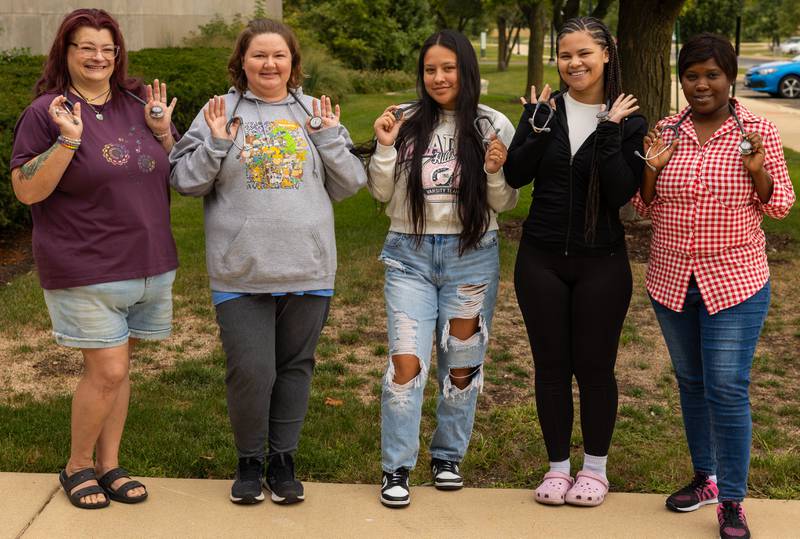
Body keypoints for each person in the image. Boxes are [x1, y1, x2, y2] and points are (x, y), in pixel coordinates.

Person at [169, 18, 366, 506]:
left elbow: (351, 184)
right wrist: (215, 141)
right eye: (259, 55)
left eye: (279, 55)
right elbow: (185, 180)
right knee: (252, 370)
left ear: (293, 63)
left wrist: (327, 137)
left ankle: (283, 462)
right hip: (241, 268)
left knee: (295, 367)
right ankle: (249, 461)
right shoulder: (219, 110)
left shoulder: (314, 112)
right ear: (242, 62)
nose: (269, 64)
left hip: (308, 264)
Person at [9, 8, 179, 509]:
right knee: (106, 370)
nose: (98, 56)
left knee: (119, 370)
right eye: (86, 47)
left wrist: (164, 130)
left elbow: (172, 171)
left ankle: (110, 465)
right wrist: (68, 140)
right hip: (84, 262)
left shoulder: (136, 102)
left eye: (107, 48)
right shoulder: (48, 111)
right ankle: (77, 466)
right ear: (66, 52)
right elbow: (26, 189)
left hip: (148, 261)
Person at [632, 33, 794, 539]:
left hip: (735, 282)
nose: (701, 85)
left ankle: (732, 501)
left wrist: (759, 171)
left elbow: (780, 205)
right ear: (681, 79)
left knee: (726, 387)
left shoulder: (756, 130)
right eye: (691, 75)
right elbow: (644, 207)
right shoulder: (666, 129)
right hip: (671, 278)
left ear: (730, 77)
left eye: (712, 75)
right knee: (692, 384)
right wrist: (651, 172)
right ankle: (705, 477)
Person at [369, 29, 518, 508]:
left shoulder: (492, 124)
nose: (438, 77)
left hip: (471, 256)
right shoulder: (405, 120)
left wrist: (495, 170)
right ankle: (397, 466)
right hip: (409, 255)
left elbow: (505, 204)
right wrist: (386, 147)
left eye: (448, 68)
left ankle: (448, 455)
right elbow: (380, 193)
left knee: (461, 364)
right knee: (406, 362)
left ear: (467, 69)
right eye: (430, 69)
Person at [503, 16, 646, 507]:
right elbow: (518, 174)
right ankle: (558, 468)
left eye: (584, 53)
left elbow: (620, 191)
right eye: (566, 55)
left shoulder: (629, 118)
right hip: (539, 259)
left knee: (595, 368)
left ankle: (596, 471)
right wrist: (537, 128)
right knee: (550, 367)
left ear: (606, 54)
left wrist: (608, 130)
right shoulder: (543, 110)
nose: (574, 63)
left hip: (601, 263)